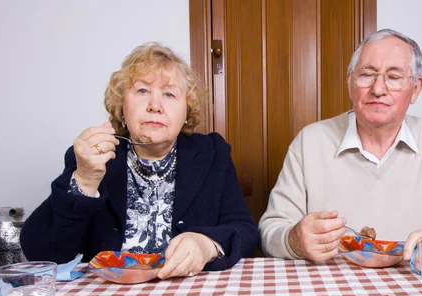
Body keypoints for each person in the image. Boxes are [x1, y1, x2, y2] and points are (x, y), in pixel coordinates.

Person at [259, 29, 422, 262]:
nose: (378, 89)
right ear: (350, 82)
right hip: (328, 292)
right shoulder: (310, 142)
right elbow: (271, 229)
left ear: (416, 89)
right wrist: (294, 240)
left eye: (394, 77)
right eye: (367, 74)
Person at [21, 42, 258, 278]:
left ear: (186, 110)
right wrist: (84, 180)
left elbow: (244, 230)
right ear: (122, 106)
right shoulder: (93, 157)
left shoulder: (212, 153)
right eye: (142, 91)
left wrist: (207, 244)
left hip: (189, 293)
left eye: (169, 94)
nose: (155, 106)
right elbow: (43, 254)